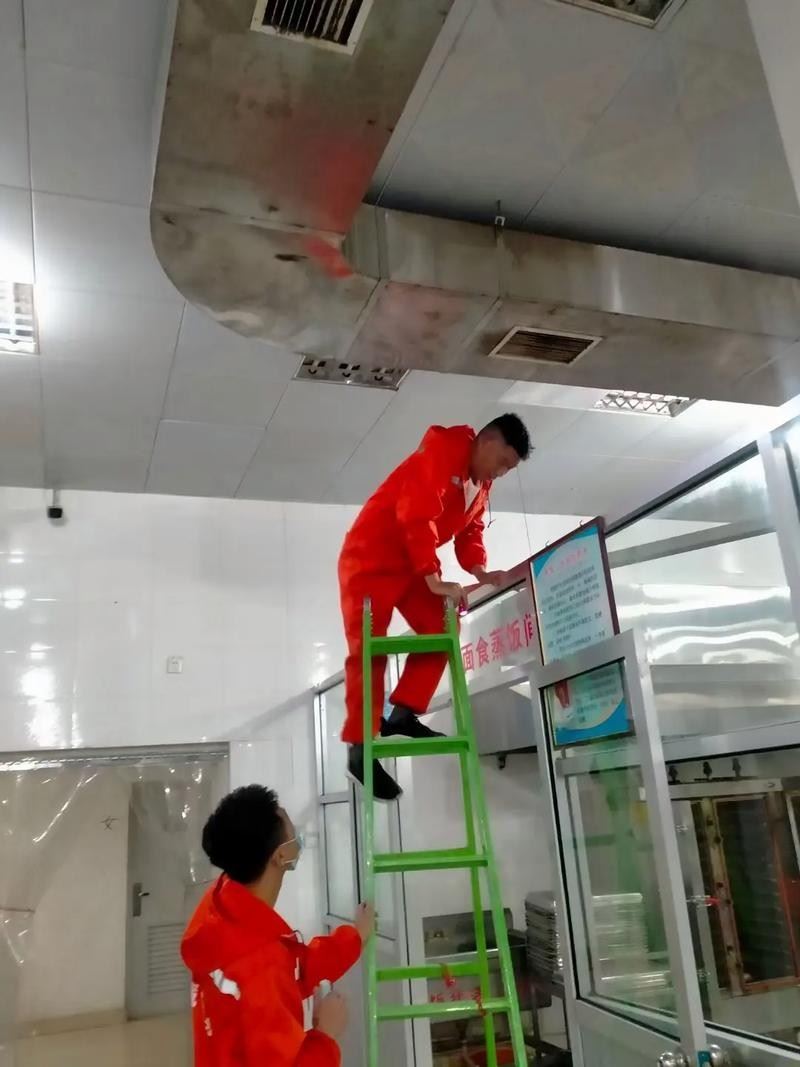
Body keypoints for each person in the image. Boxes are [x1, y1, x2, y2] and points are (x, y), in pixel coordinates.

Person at [339, 413, 531, 802]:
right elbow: (416, 512)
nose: (501, 473)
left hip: (412, 563)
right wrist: (432, 576)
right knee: (370, 650)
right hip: (370, 556)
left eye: (508, 469)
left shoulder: (482, 484)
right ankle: (359, 749)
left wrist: (480, 570)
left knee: (442, 626)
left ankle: (403, 714)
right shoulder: (443, 450)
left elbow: (470, 531)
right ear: (487, 442)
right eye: (502, 462)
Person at [181, 784, 374, 1067]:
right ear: (280, 855)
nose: (296, 832)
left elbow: (296, 965)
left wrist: (354, 937)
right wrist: (325, 1034)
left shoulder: (219, 904)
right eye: (288, 823)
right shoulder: (262, 964)